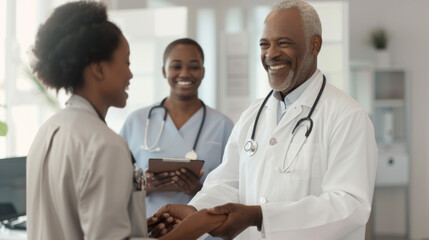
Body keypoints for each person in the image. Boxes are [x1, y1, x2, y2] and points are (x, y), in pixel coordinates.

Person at [150, 0, 378, 239]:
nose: (271, 54)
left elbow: (350, 207)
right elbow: (228, 182)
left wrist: (259, 216)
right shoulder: (254, 114)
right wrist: (195, 211)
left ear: (315, 44)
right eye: (264, 44)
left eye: (283, 43)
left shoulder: (347, 116)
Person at [26, 2, 226, 239]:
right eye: (126, 62)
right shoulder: (104, 144)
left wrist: (139, 228)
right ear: (99, 69)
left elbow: (74, 221)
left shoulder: (48, 130)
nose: (130, 74)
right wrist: (195, 225)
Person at [120, 38, 234, 218]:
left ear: (203, 72)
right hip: (147, 229)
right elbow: (116, 184)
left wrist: (198, 189)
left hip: (203, 231)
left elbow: (233, 188)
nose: (185, 73)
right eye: (176, 66)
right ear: (164, 71)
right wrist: (145, 186)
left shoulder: (223, 125)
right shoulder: (137, 121)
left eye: (194, 66)